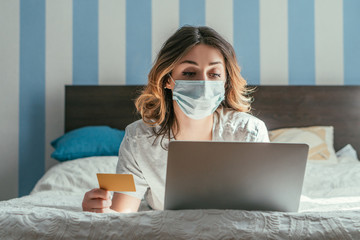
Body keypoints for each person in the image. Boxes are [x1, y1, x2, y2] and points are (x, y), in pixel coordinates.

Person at [82, 25, 269, 213]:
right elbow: (121, 213)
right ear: (167, 79)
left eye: (214, 74)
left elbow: (264, 208)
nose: (203, 83)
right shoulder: (139, 138)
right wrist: (99, 207)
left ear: (226, 82)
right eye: (189, 73)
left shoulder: (249, 132)